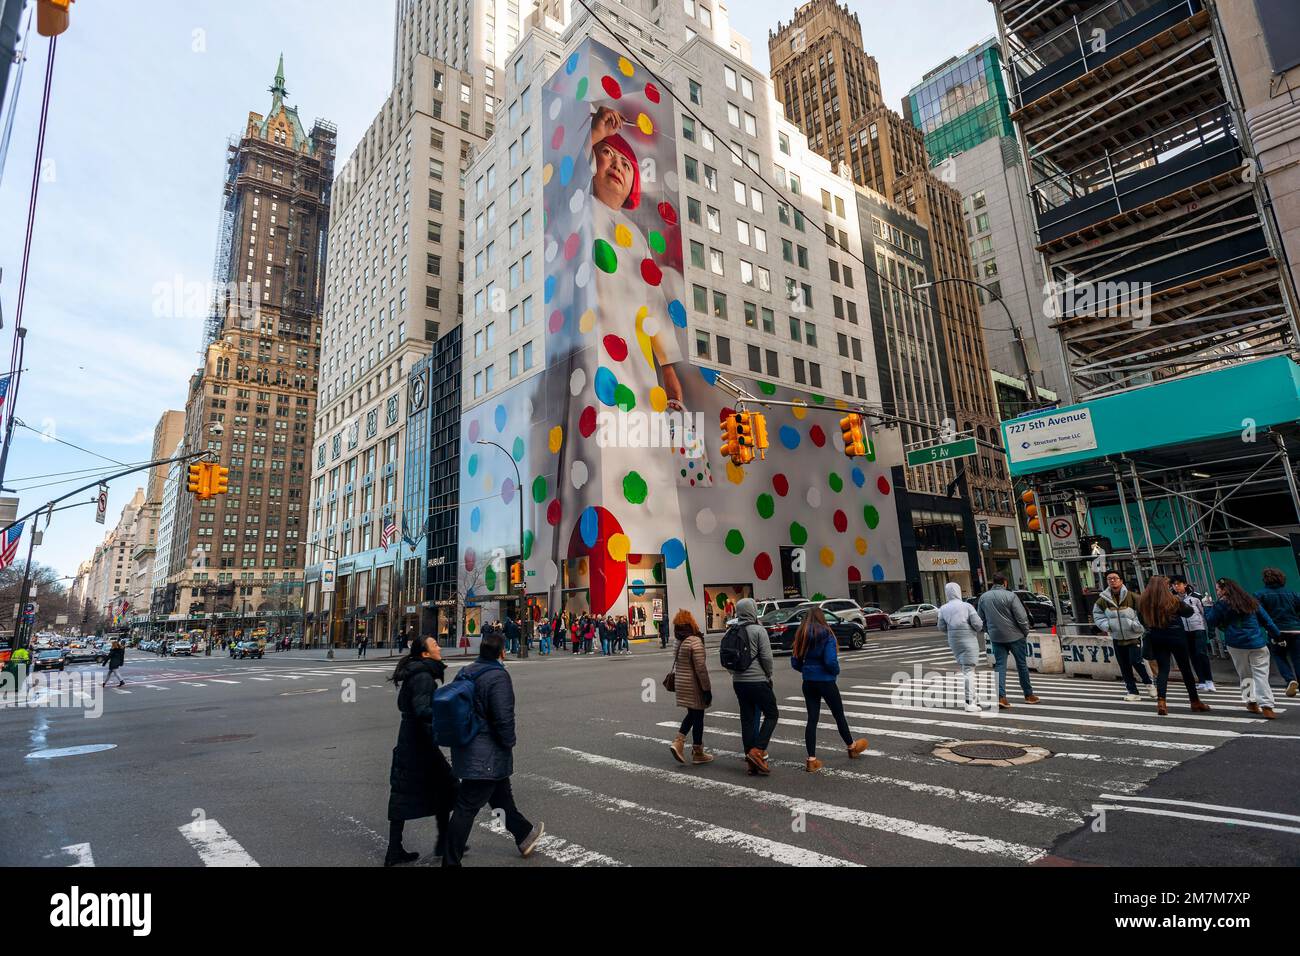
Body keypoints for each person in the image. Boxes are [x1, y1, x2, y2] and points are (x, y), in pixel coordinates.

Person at [442, 629, 545, 866]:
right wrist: (508, 742)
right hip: (487, 752)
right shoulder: (498, 676)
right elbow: (503, 717)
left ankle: (524, 835)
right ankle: (450, 861)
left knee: (501, 797)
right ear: (502, 652)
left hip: (469, 747)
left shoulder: (466, 671)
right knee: (467, 806)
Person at [385, 635, 459, 866]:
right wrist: (443, 727)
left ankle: (396, 849)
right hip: (419, 745)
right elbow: (422, 710)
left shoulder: (418, 673)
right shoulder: (424, 677)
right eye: (434, 644)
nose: (438, 646)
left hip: (411, 741)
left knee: (407, 792)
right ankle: (443, 842)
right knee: (447, 787)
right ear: (425, 654)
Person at [791, 607, 868, 772]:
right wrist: (835, 672)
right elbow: (830, 661)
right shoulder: (827, 634)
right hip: (826, 681)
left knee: (812, 719)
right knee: (838, 714)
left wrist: (807, 670)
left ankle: (811, 760)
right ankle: (851, 746)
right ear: (822, 618)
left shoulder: (801, 635)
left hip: (809, 682)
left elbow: (795, 662)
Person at [1205, 577, 1281, 719]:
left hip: (1236, 643)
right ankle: (1267, 705)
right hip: (1256, 641)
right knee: (1261, 674)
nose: (1217, 592)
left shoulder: (1221, 604)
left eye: (1218, 589)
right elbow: (1266, 620)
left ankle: (1251, 702)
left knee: (1244, 673)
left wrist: (1207, 607)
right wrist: (1277, 635)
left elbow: (1211, 621)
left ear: (1223, 590)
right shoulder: (1250, 600)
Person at [1136, 576, 1210, 716]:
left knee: (1163, 669)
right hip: (1176, 636)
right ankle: (1194, 701)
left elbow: (1141, 620)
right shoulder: (1173, 600)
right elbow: (1189, 613)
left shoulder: (1142, 601)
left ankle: (1161, 701)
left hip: (1157, 636)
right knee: (1185, 669)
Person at [728, 598, 778, 775]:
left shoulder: (732, 631)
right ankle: (757, 750)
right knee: (772, 714)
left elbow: (727, 659)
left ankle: (750, 763)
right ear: (753, 611)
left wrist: (736, 674)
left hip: (739, 682)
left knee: (747, 719)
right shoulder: (758, 630)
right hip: (758, 681)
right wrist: (768, 674)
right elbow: (767, 658)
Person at [977, 574, 1040, 710]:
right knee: (1021, 665)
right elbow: (1021, 616)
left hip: (996, 637)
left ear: (993, 583)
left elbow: (980, 619)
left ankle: (1001, 697)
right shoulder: (1010, 596)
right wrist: (1025, 631)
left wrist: (989, 630)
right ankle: (1028, 695)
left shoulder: (984, 597)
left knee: (1000, 666)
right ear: (1004, 583)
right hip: (1015, 636)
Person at [1093, 569, 1155, 701]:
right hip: (1117, 637)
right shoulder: (1102, 600)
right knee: (1124, 665)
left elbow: (1144, 613)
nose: (1112, 581)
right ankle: (1132, 691)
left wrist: (1136, 626)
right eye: (1109, 578)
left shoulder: (1133, 597)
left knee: (1136, 661)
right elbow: (1098, 616)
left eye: (1115, 578)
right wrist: (1107, 626)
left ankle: (1149, 684)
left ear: (1121, 580)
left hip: (1134, 636)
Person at [668, 609, 714, 765]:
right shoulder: (694, 640)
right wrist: (707, 689)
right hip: (694, 685)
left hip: (681, 683)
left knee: (694, 715)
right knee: (697, 715)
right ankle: (692, 749)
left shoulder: (678, 641)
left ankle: (686, 745)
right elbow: (700, 668)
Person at [938, 582, 985, 713]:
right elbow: (977, 624)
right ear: (958, 591)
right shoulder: (967, 606)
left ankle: (975, 697)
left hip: (954, 641)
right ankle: (969, 702)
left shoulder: (943, 608)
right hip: (968, 639)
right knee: (969, 670)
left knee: (966, 668)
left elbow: (941, 627)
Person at [1255, 567, 1300, 698]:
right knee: (1297, 657)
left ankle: (1289, 679)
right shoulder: (1292, 593)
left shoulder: (1260, 594)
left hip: (1276, 630)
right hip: (1295, 629)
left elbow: (1260, 614)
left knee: (1279, 656)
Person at [1171, 576, 1214, 692]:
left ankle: (1209, 680)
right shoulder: (1173, 598)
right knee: (1193, 656)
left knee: (1201, 653)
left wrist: (1210, 629)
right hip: (1184, 631)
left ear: (1185, 584)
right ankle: (1201, 680)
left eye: (1178, 584)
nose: (1176, 587)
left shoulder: (1196, 596)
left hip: (1198, 628)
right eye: (1174, 585)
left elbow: (1205, 613)